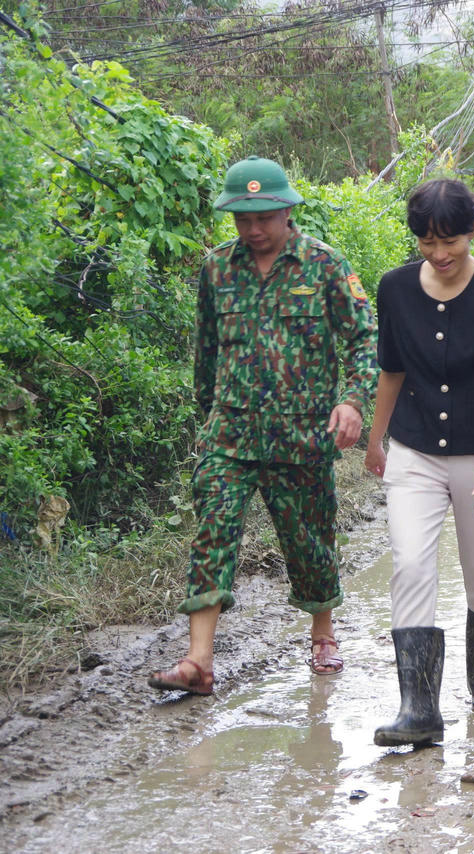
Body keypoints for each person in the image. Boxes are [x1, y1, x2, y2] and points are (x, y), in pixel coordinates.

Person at [148, 156, 377, 696]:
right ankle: (199, 660)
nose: (253, 229)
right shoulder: (217, 268)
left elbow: (364, 339)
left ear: (287, 210)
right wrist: (208, 415)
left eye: (264, 218)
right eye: (242, 219)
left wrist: (352, 400)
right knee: (213, 534)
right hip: (229, 433)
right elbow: (205, 349)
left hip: (302, 436)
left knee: (309, 542)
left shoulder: (324, 265)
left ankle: (322, 632)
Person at [363, 180, 474, 746]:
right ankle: (418, 709)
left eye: (451, 241)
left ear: (473, 231)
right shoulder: (394, 288)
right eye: (427, 241)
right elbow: (391, 368)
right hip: (414, 451)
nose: (439, 254)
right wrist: (376, 439)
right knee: (411, 564)